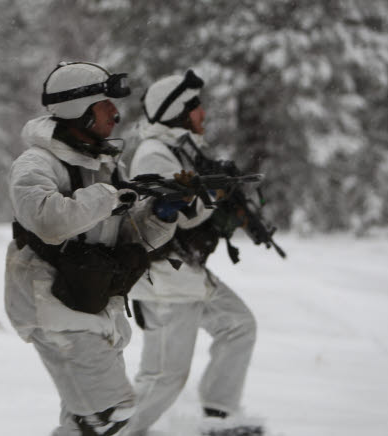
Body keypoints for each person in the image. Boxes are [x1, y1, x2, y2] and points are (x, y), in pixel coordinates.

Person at [4, 61, 185, 436]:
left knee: (83, 424)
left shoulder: (103, 166)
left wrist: (161, 214)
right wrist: (109, 196)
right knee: (108, 415)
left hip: (91, 304)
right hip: (51, 304)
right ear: (80, 111)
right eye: (106, 106)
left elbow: (127, 237)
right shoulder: (35, 163)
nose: (116, 115)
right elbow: (47, 219)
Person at [126, 70, 260, 436]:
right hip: (165, 281)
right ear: (178, 111)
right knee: (163, 378)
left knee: (238, 326)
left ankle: (220, 416)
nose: (204, 113)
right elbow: (178, 219)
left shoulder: (180, 148)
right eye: (197, 107)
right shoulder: (154, 154)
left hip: (187, 273)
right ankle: (112, 433)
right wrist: (215, 196)